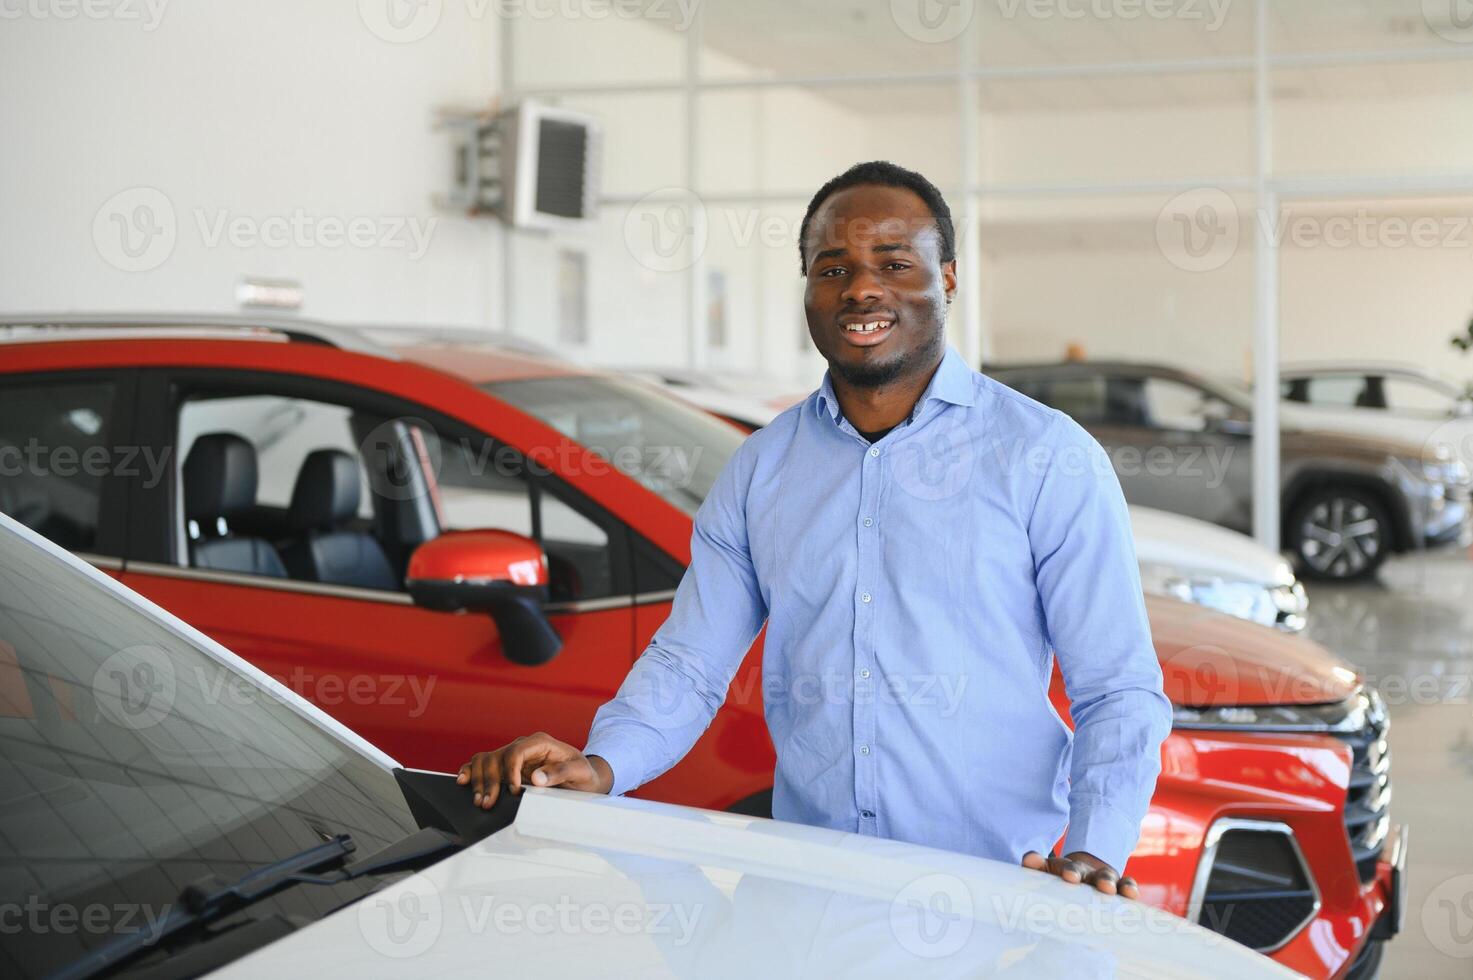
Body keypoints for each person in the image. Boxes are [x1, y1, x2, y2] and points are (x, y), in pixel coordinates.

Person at [459, 160, 1172, 897]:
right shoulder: (760, 469)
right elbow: (690, 664)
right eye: (832, 268)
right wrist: (603, 765)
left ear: (948, 278)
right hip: (805, 887)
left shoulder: (1043, 456)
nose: (861, 288)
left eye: (893, 264)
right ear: (808, 290)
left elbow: (1115, 689)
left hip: (988, 893)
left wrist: (1094, 850)